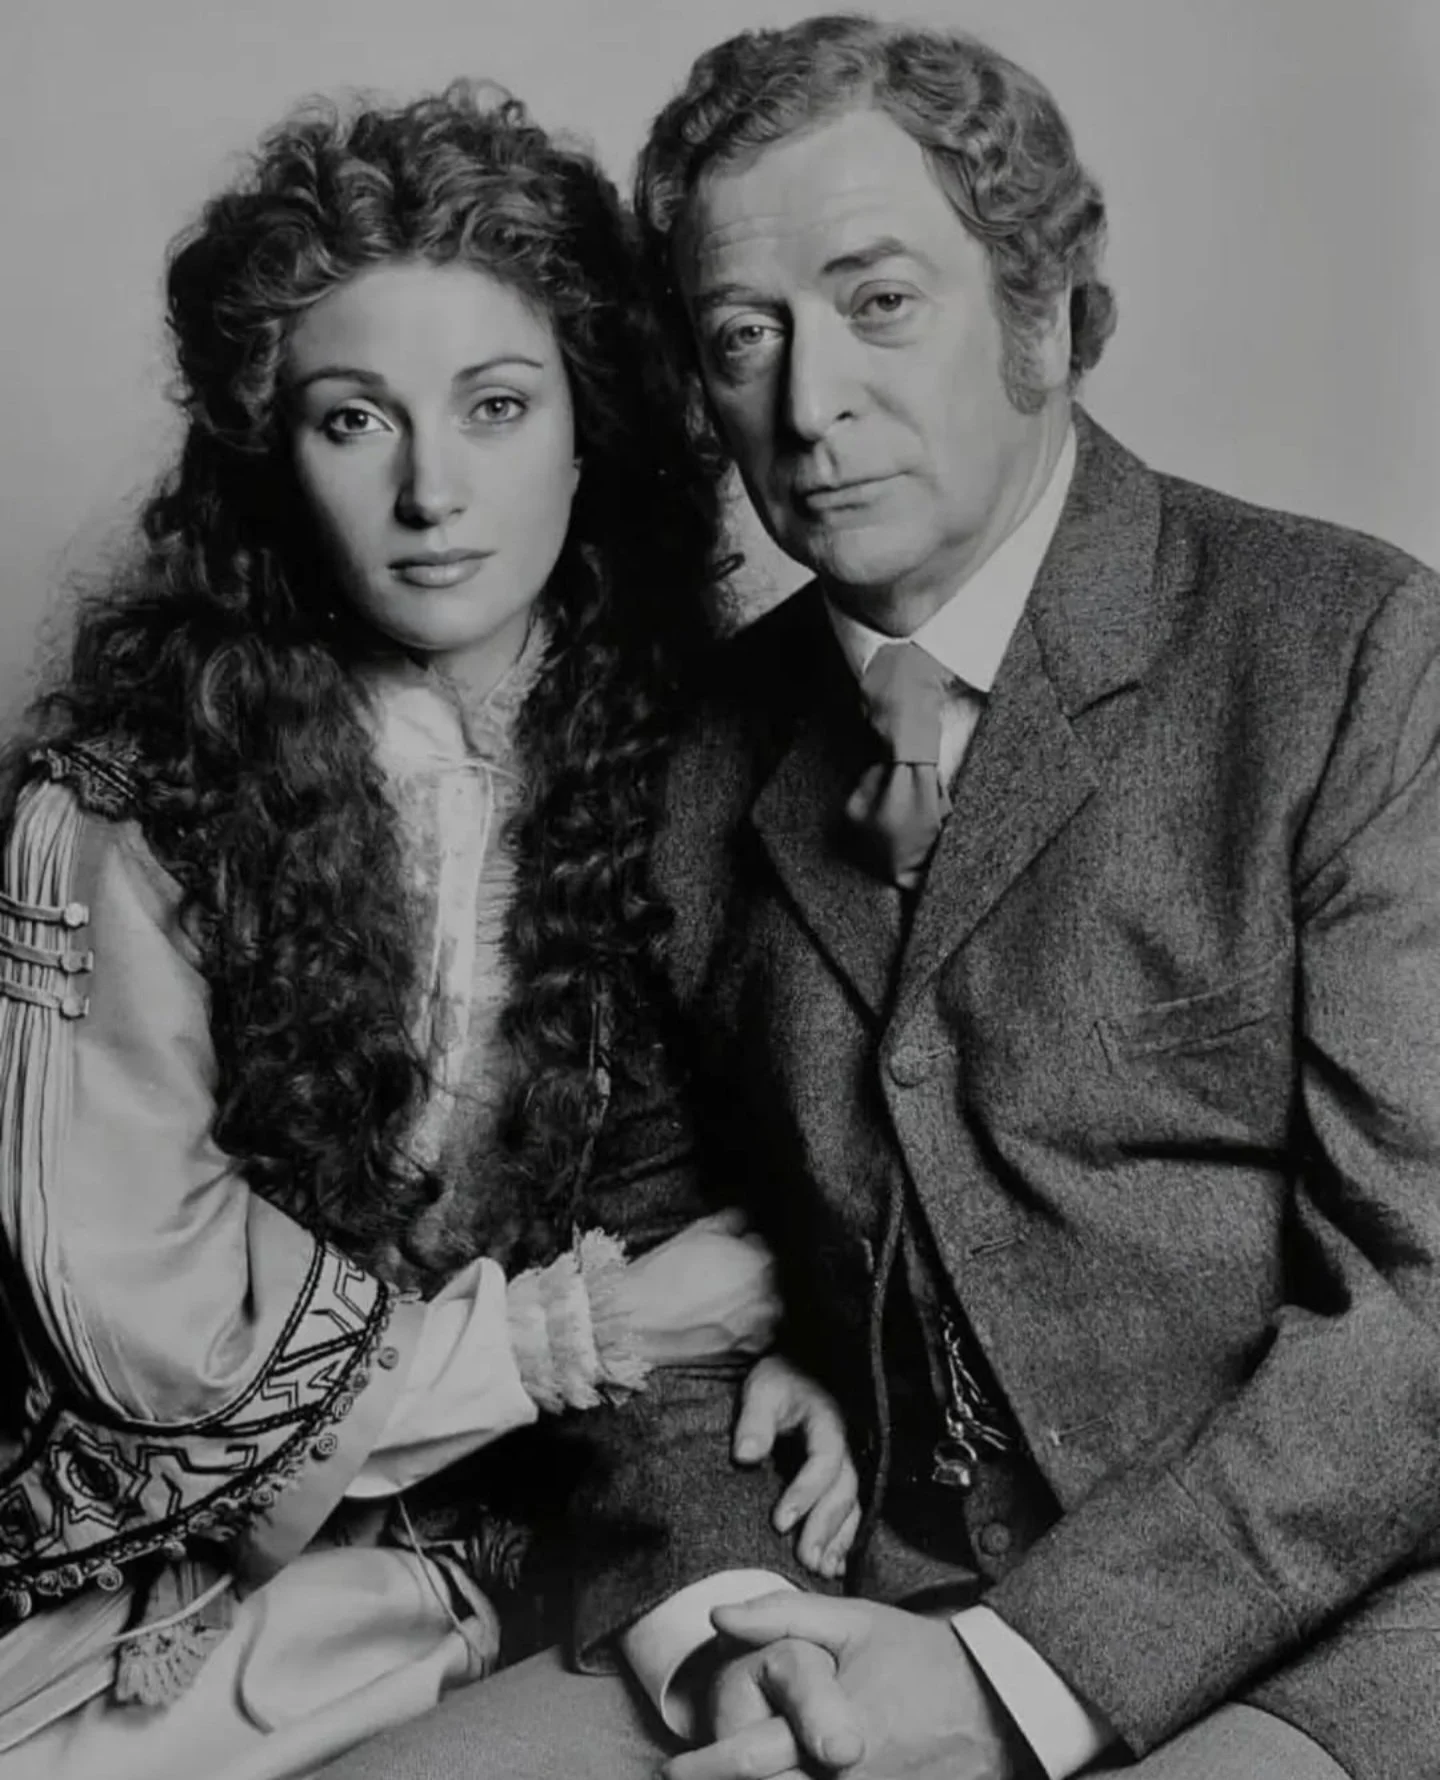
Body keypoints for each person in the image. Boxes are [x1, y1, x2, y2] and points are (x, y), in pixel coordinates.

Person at [334, 16, 1440, 1780]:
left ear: (1050, 311)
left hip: (1313, 1620)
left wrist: (1015, 1675)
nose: (807, 399)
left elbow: (1424, 1319)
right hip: (842, 1580)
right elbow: (641, 1265)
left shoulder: (1354, 655)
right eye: (742, 336)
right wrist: (723, 1631)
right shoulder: (688, 746)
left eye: (880, 302)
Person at [0, 83, 864, 1780]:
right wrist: (601, 1331)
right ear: (271, 454)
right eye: (353, 421)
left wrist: (822, 1344)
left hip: (589, 1552)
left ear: (589, 424)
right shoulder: (122, 812)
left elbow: (808, 1159)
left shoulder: (717, 756)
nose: (431, 492)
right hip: (170, 1605)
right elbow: (150, 1354)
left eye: (495, 405)